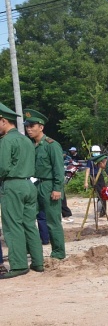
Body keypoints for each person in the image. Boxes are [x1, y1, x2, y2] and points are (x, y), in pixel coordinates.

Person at [0, 102, 43, 279]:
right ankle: (38, 262)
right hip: (28, 184)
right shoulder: (26, 140)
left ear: (3, 121)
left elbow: (2, 167)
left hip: (12, 185)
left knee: (12, 226)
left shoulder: (6, 141)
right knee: (29, 225)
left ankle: (18, 266)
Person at [23, 109, 65, 260]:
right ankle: (32, 251)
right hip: (35, 184)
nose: (29, 129)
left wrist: (57, 188)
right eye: (27, 126)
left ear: (41, 127)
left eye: (31, 126)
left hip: (49, 185)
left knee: (53, 221)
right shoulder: (31, 145)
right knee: (27, 217)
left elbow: (59, 169)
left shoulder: (51, 145)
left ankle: (58, 253)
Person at [83, 145, 107, 218]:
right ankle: (100, 210)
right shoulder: (90, 160)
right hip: (93, 177)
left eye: (97, 152)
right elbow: (87, 170)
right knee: (99, 194)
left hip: (100, 177)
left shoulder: (101, 159)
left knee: (103, 193)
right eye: (95, 152)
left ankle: (103, 211)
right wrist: (86, 181)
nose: (96, 153)